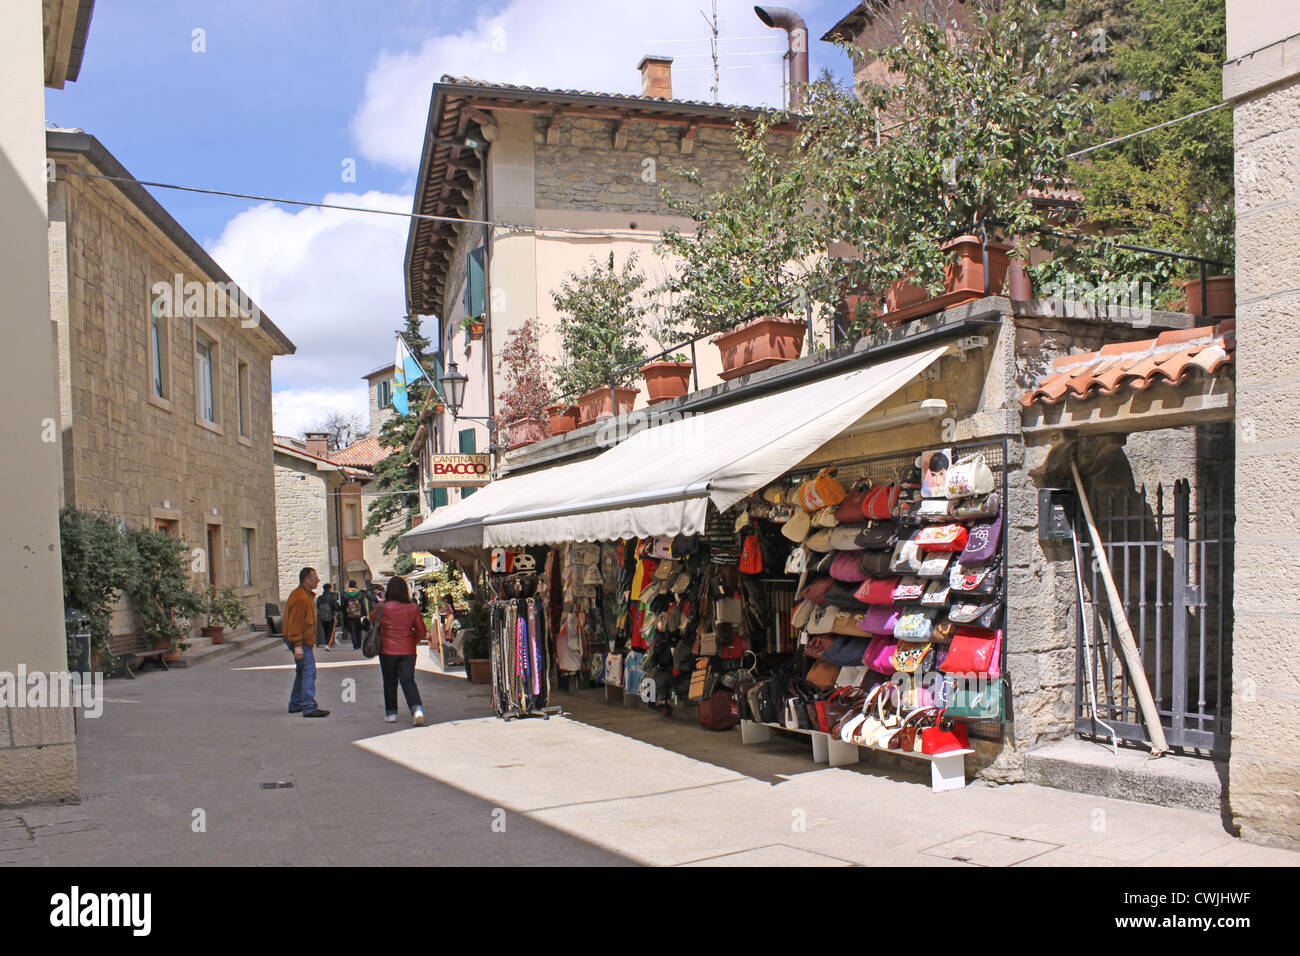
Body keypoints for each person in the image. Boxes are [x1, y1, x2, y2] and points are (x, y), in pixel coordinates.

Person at [372, 576, 427, 725]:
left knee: (389, 682)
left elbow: (372, 618)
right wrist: (412, 640)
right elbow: (421, 630)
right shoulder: (412, 607)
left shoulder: (382, 607)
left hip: (387, 650)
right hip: (408, 650)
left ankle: (391, 714)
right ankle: (417, 710)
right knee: (408, 680)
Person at [283, 567, 329, 718]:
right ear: (306, 580)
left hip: (302, 640)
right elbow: (295, 622)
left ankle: (295, 703)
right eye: (315, 578)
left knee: (302, 671)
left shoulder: (305, 596)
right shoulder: (301, 598)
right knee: (309, 671)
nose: (318, 580)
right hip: (300, 640)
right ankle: (309, 706)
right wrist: (297, 645)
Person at [340, 579, 370, 651]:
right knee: (359, 629)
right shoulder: (360, 593)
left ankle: (355, 645)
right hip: (359, 614)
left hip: (349, 615)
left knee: (352, 630)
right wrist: (365, 614)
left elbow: (343, 605)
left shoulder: (344, 593)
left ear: (349, 585)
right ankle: (359, 644)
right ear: (355, 585)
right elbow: (363, 604)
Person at [316, 582, 339, 650]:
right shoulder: (332, 597)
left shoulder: (320, 598)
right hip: (331, 615)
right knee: (331, 631)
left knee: (325, 630)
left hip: (322, 616)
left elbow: (318, 607)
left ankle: (326, 643)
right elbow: (335, 607)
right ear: (330, 588)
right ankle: (328, 644)